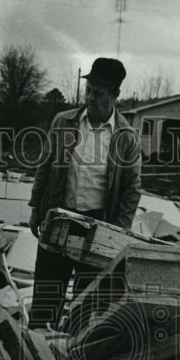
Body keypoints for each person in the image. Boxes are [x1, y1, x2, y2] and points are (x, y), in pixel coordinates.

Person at [27, 57, 142, 329]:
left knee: (87, 307)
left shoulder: (126, 136)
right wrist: (35, 209)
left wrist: (118, 233)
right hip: (59, 219)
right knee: (46, 296)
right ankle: (40, 353)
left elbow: (132, 189)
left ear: (114, 95)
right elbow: (45, 166)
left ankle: (75, 359)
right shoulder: (63, 122)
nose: (90, 97)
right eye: (88, 90)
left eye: (98, 93)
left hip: (98, 227)